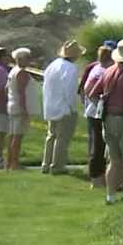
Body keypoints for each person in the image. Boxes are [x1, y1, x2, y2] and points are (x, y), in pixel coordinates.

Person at [90, 38, 123, 203]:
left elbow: (91, 93)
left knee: (114, 160)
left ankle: (110, 195)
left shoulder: (108, 70)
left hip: (108, 120)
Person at [41, 40, 83, 174]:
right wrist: (73, 108)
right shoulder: (71, 68)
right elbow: (70, 91)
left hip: (51, 106)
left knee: (51, 136)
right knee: (62, 138)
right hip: (64, 107)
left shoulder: (52, 65)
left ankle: (46, 163)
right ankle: (57, 165)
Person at [82, 44, 115, 187]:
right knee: (98, 147)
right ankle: (97, 178)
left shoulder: (96, 68)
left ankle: (98, 177)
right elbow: (90, 91)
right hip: (97, 113)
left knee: (97, 146)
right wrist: (101, 103)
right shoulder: (103, 71)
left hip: (92, 111)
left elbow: (85, 90)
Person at [5, 47, 38, 170]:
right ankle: (15, 163)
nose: (29, 60)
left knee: (12, 135)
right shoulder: (21, 73)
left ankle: (9, 161)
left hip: (12, 105)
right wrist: (24, 109)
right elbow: (21, 93)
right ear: (20, 59)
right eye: (27, 58)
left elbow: (6, 88)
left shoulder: (13, 71)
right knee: (17, 136)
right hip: (19, 107)